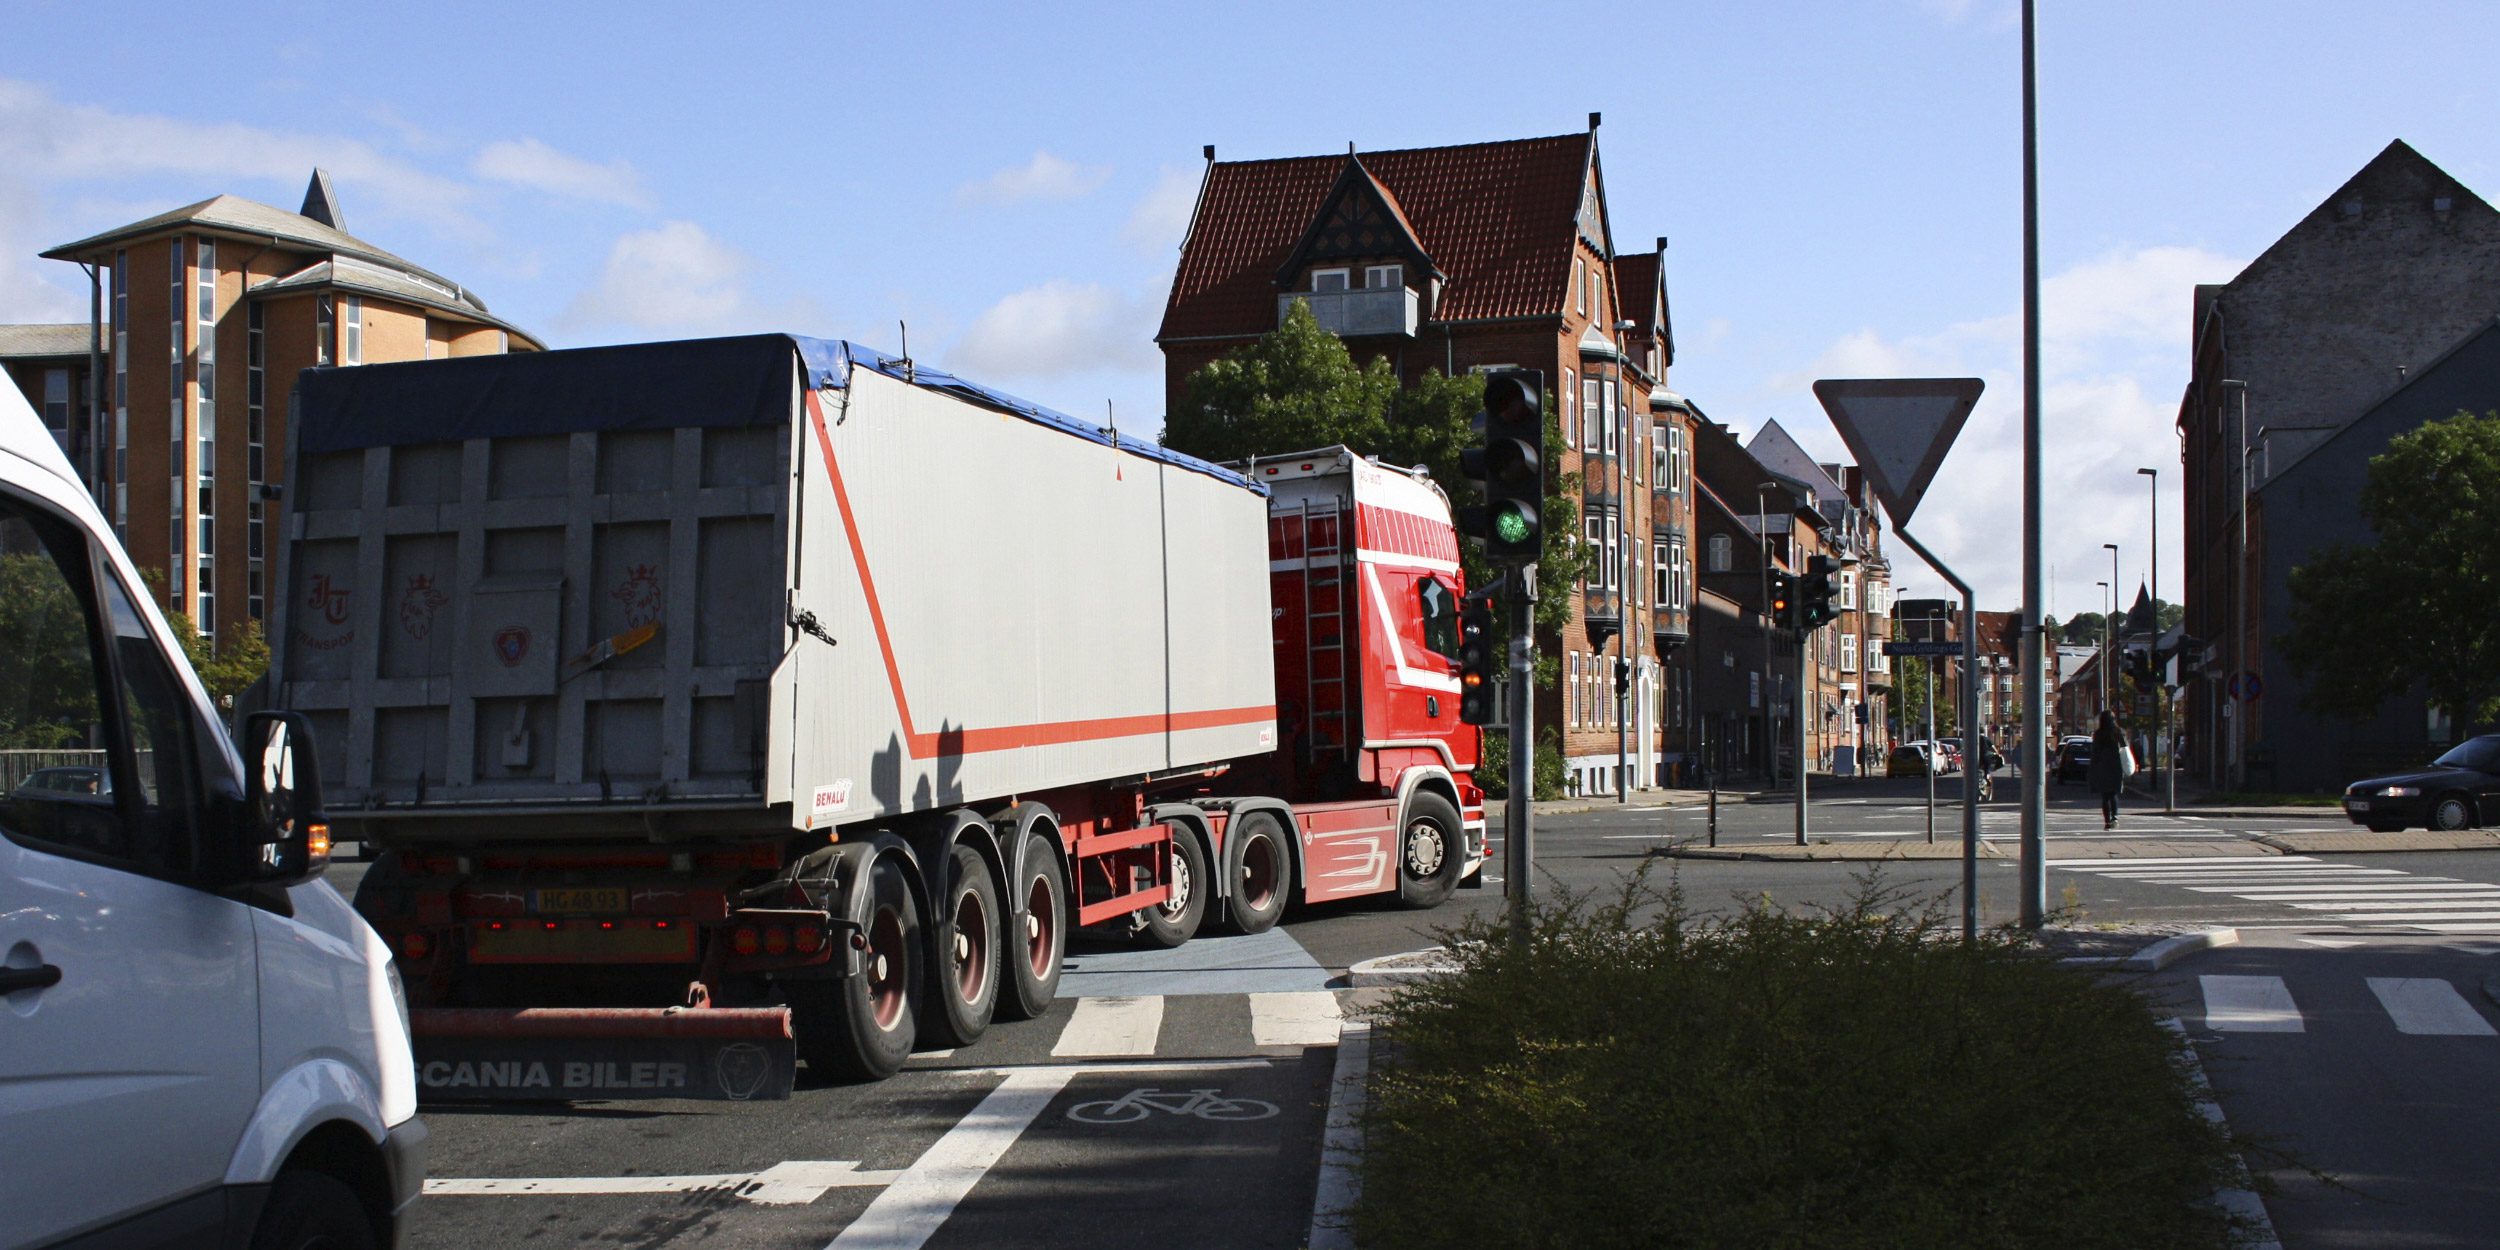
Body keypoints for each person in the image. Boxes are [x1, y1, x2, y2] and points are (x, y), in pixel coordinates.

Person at [2087, 710, 2133, 830]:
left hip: (2102, 766)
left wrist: (2093, 768)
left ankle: (2107, 821)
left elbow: (2095, 753)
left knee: (2105, 796)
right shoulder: (2118, 732)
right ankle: (2115, 817)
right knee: (2113, 793)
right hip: (2115, 766)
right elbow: (2124, 747)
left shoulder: (2098, 734)